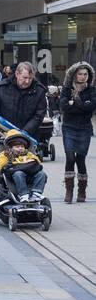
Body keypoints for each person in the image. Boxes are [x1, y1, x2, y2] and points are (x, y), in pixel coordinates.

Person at [0, 60, 47, 141]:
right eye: (25, 77)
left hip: (28, 135)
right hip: (4, 137)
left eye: (30, 78)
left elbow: (39, 115)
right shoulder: (2, 88)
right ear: (17, 74)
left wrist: (25, 132)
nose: (27, 81)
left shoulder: (39, 90)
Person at [60, 61, 95, 204]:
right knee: (69, 157)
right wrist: (81, 105)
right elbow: (63, 106)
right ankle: (69, 191)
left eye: (85, 74)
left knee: (80, 160)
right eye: (80, 74)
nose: (83, 77)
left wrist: (74, 103)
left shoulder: (91, 90)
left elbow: (91, 108)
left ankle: (82, 190)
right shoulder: (67, 89)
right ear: (74, 75)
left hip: (85, 128)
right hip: (69, 126)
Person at [0, 129, 47, 201]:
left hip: (30, 174)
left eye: (22, 147)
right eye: (17, 147)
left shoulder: (28, 153)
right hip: (14, 176)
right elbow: (1, 161)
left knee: (42, 174)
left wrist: (34, 160)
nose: (20, 148)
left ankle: (36, 193)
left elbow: (37, 160)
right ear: (11, 147)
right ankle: (23, 194)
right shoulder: (6, 154)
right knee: (19, 174)